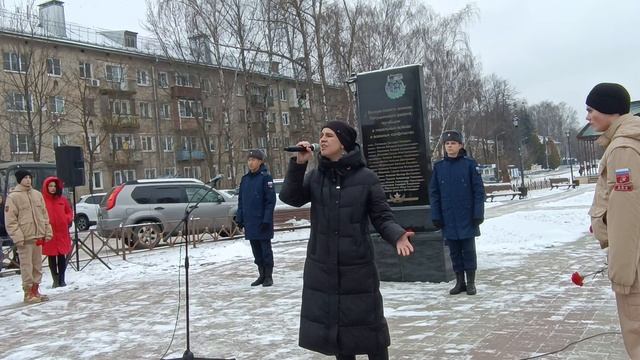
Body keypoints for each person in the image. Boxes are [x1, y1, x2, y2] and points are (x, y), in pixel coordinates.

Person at [279, 120, 415, 360]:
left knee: (371, 332)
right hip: (324, 267)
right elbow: (291, 198)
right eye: (321, 134)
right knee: (337, 335)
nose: (322, 139)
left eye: (329, 135)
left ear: (343, 143)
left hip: (357, 267)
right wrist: (299, 165)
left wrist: (397, 235)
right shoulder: (316, 176)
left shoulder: (366, 178)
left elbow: (382, 216)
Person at [586, 82, 640, 359]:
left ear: (609, 110)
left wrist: (622, 273)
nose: (587, 117)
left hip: (635, 265)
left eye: (591, 109)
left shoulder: (623, 149)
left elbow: (626, 215)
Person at [429, 130, 485, 296]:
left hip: (467, 216)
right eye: (447, 144)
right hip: (448, 217)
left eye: (453, 143)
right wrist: (436, 216)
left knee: (468, 250)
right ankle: (459, 282)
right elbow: (434, 193)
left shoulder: (469, 165)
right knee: (454, 251)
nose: (450, 146)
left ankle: (471, 283)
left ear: (460, 145)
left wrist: (478, 213)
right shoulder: (439, 168)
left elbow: (478, 191)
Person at [5, 169, 53, 303]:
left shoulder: (37, 195)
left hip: (38, 236)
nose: (28, 180)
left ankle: (36, 290)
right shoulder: (13, 197)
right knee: (27, 266)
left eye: (29, 177)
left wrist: (47, 231)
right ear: (19, 180)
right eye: (25, 177)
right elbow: (11, 220)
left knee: (37, 265)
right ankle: (28, 292)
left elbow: (44, 215)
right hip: (25, 238)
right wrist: (17, 236)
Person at [236, 149, 277, 287]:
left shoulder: (265, 178)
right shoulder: (245, 179)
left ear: (260, 162)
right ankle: (261, 274)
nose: (250, 162)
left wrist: (266, 219)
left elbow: (270, 201)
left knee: (265, 250)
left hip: (262, 221)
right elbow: (241, 201)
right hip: (250, 222)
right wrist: (240, 218)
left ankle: (268, 276)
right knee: (256, 251)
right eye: (249, 160)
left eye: (253, 160)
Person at [41, 176, 74, 288]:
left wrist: (66, 218)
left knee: (61, 256)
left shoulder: (62, 200)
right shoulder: (42, 200)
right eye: (50, 186)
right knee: (51, 256)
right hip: (49, 232)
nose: (53, 188)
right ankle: (55, 280)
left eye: (55, 186)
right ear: (46, 187)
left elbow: (69, 212)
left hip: (62, 232)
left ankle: (62, 279)